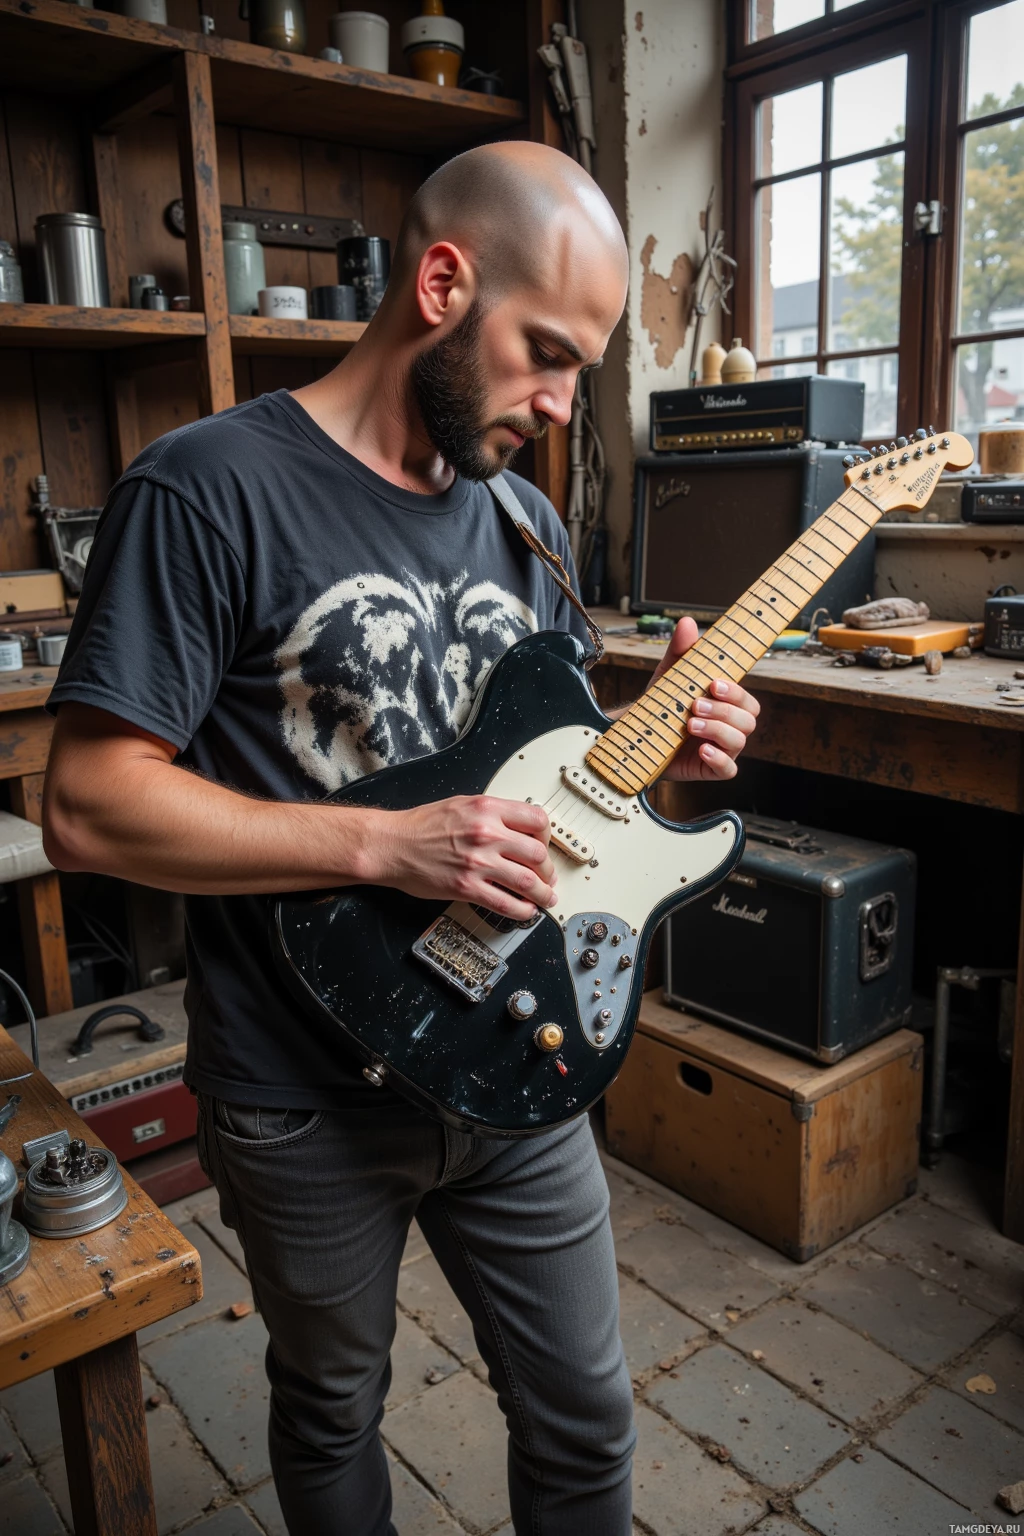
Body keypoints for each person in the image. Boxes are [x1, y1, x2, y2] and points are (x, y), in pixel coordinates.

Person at [42, 141, 759, 1534]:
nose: (560, 407)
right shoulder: (207, 492)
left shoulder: (528, 523)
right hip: (303, 1093)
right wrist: (384, 848)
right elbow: (84, 802)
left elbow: (568, 810)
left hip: (522, 1054)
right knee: (330, 1411)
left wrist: (670, 764)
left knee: (587, 1417)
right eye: (547, 354)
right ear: (442, 282)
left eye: (581, 373)